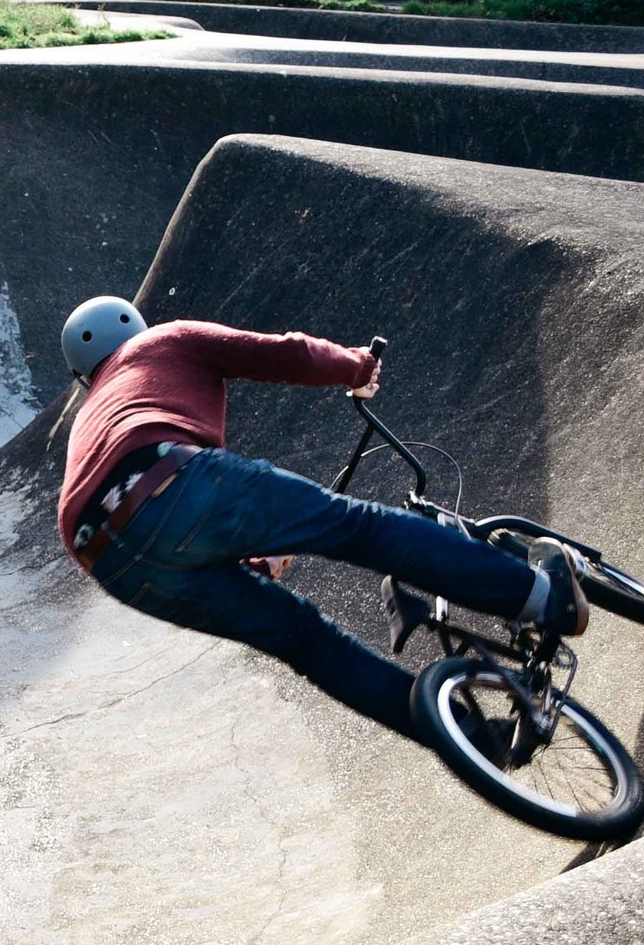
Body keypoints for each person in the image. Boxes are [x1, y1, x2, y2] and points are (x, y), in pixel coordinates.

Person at [55, 296, 588, 743]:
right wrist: (355, 366)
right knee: (359, 528)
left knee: (301, 640)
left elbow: (151, 529)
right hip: (163, 476)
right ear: (135, 329)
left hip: (105, 558)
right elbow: (280, 354)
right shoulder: (159, 342)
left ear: (84, 378)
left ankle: (469, 741)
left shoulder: (90, 418)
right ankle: (542, 595)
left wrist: (247, 569)